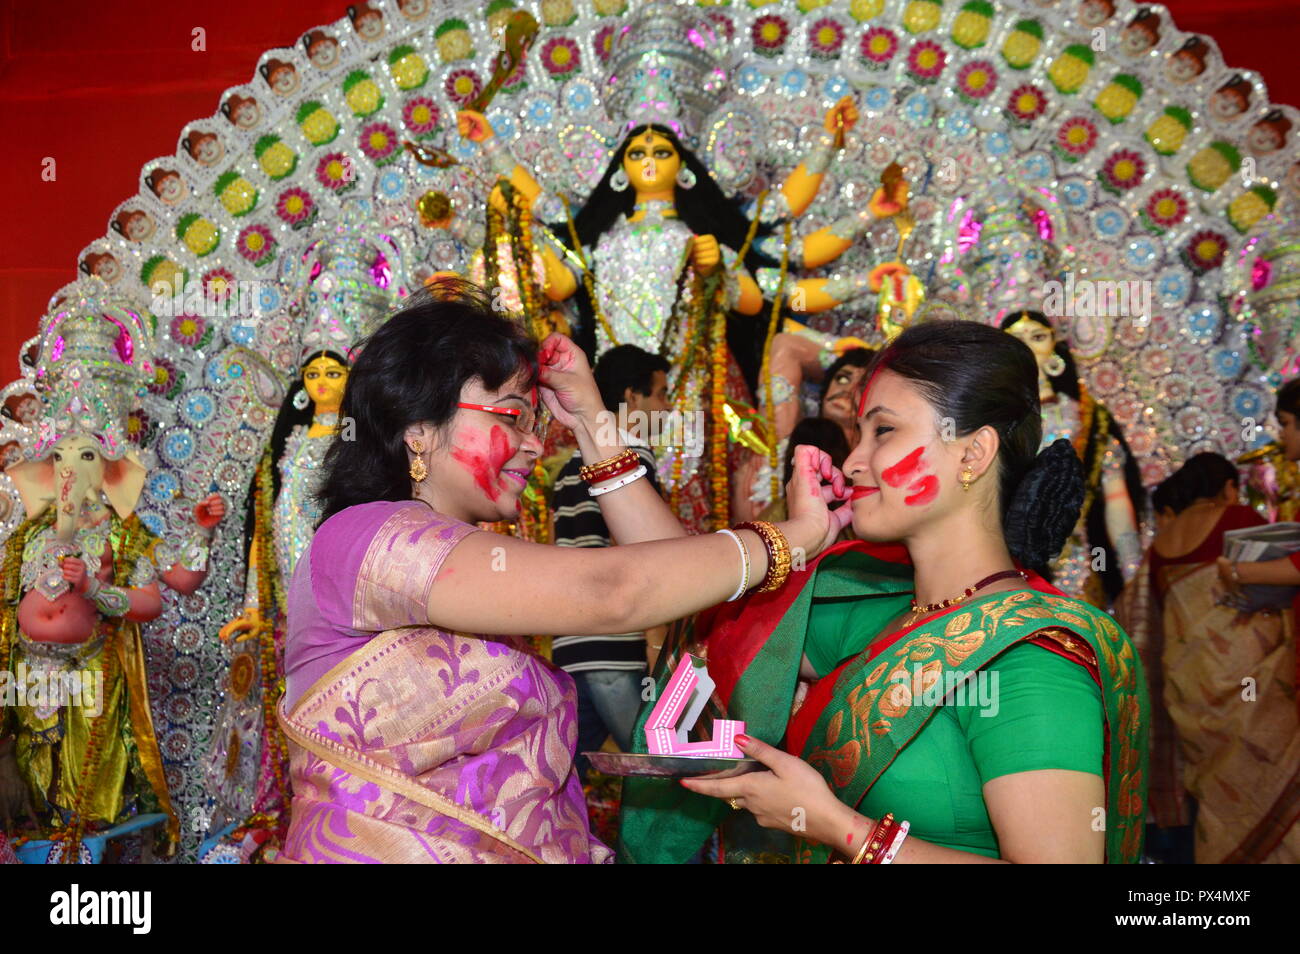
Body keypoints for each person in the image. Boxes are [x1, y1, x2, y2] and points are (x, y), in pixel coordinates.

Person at [275, 280, 849, 864]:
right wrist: (795, 535)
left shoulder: (460, 565)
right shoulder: (361, 538)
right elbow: (615, 591)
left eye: (535, 423)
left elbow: (677, 592)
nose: (531, 445)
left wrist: (592, 421)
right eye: (511, 417)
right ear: (417, 426)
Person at [620, 319, 1150, 864]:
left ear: (972, 454)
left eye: (884, 432)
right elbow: (680, 592)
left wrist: (840, 829)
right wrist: (596, 431)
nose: (852, 462)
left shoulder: (1031, 663)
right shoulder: (879, 608)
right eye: (857, 435)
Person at [1117, 454, 1300, 862]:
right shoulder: (1239, 516)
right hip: (1251, 675)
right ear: (1227, 487)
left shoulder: (1162, 543)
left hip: (1191, 685)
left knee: (1218, 791)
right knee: (1272, 775)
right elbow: (1272, 590)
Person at [550, 344, 670, 772]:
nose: (668, 407)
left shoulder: (569, 466)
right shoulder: (631, 461)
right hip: (616, 647)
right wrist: (656, 645)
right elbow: (650, 559)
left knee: (558, 781)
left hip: (571, 646)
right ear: (633, 398)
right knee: (654, 775)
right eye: (661, 394)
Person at [1001, 310, 1145, 607]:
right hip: (1004, 562)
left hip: (1075, 560)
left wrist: (1132, 570)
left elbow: (1115, 495)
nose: (1029, 348)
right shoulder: (992, 420)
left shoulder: (1087, 418)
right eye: (1016, 340)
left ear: (1055, 344)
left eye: (1038, 337)